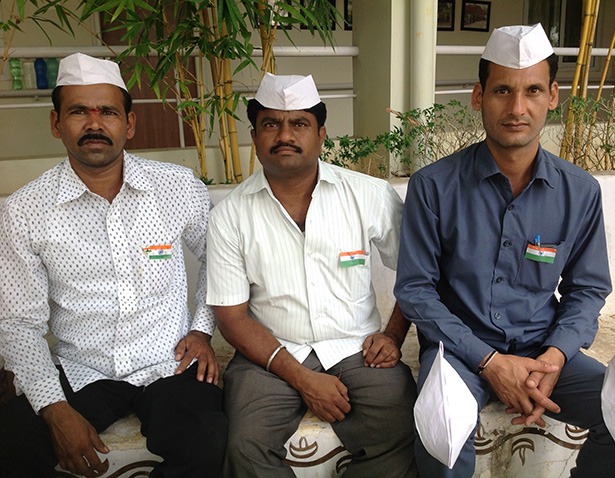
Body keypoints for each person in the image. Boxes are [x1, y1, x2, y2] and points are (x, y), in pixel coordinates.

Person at [394, 24, 615, 478]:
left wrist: (555, 356)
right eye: (502, 90)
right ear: (478, 95)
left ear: (553, 96)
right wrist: (489, 362)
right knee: (440, 436)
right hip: (460, 353)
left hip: (543, 350)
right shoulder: (434, 186)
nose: (517, 108)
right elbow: (415, 291)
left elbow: (587, 290)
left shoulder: (579, 191)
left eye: (532, 90)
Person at [0, 52, 227, 478]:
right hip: (81, 367)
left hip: (169, 361)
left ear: (130, 123)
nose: (94, 124)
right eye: (78, 112)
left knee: (206, 442)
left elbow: (223, 260)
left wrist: (201, 328)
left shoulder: (176, 187)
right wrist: (54, 408)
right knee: (9, 447)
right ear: (56, 124)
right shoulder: (25, 210)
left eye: (107, 111)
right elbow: (18, 324)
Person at [206, 73, 417, 477]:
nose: (285, 135)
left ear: (321, 135)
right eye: (271, 124)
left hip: (359, 349)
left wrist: (392, 336)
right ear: (255, 135)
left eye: (299, 123)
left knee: (401, 428)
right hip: (269, 356)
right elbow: (231, 318)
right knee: (243, 445)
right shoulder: (230, 216)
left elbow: (416, 273)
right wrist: (301, 378)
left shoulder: (368, 194)